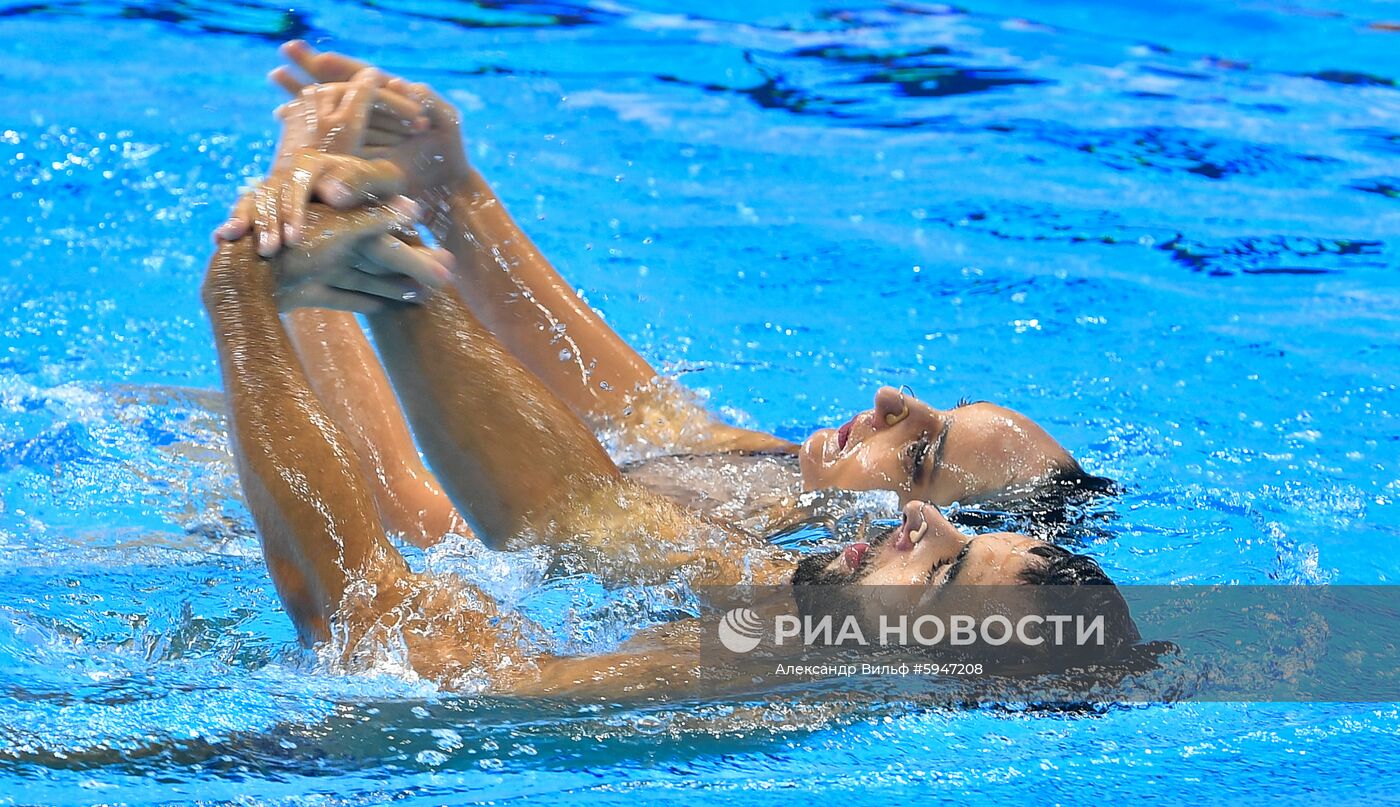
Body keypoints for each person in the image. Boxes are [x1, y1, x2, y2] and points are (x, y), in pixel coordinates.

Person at [202, 45, 1135, 694]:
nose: (921, 517)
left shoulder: (740, 682)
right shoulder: (794, 598)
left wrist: (254, 288)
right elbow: (571, 512)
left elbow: (371, 628)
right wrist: (397, 255)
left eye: (944, 570)